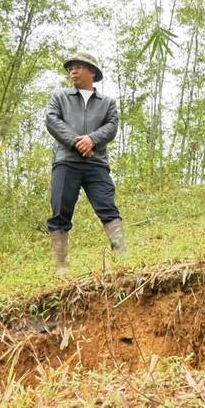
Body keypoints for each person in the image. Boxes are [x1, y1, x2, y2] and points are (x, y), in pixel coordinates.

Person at [45, 52, 126, 278]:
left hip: (96, 162)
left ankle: (120, 253)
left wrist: (92, 140)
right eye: (71, 67)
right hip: (66, 161)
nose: (74, 71)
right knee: (60, 209)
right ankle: (61, 266)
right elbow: (52, 120)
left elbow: (111, 127)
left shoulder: (107, 103)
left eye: (80, 67)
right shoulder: (59, 96)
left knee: (107, 206)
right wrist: (77, 141)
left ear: (93, 72)